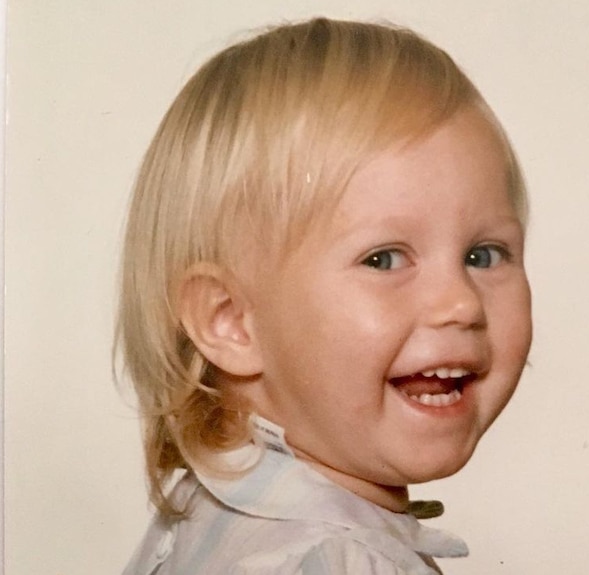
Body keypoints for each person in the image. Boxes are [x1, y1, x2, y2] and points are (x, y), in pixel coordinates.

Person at [118, 17, 532, 575]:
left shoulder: (208, 518)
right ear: (231, 321)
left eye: (483, 255)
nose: (461, 303)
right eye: (383, 259)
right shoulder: (337, 560)